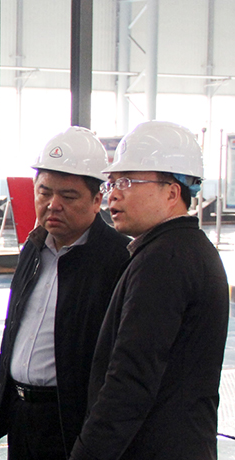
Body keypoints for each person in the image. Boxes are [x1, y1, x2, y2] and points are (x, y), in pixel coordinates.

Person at [69, 121, 229, 460]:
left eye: (128, 181)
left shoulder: (164, 261)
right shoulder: (188, 249)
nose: (113, 194)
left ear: (172, 192)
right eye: (113, 182)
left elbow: (130, 380)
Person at [0, 127, 131, 459]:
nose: (53, 205)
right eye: (44, 192)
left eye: (68, 196)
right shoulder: (34, 248)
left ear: (97, 200)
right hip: (22, 416)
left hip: (71, 422)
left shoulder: (119, 260)